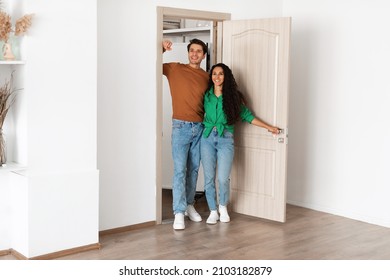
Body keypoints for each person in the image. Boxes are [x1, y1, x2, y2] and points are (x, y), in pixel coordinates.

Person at [201, 63, 281, 225]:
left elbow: (248, 117)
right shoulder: (206, 96)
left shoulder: (234, 97)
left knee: (223, 178)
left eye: (221, 74)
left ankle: (222, 207)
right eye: (214, 74)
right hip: (207, 138)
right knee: (209, 178)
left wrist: (269, 127)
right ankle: (212, 211)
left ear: (226, 76)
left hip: (226, 139)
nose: (217, 77)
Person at [162, 38, 209, 230]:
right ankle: (178, 212)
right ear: (188, 52)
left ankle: (189, 205)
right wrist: (161, 48)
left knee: (194, 170)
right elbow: (150, 63)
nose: (195, 54)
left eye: (199, 51)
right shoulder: (175, 68)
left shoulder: (207, 77)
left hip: (199, 127)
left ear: (204, 55)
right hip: (180, 126)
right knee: (180, 170)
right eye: (192, 50)